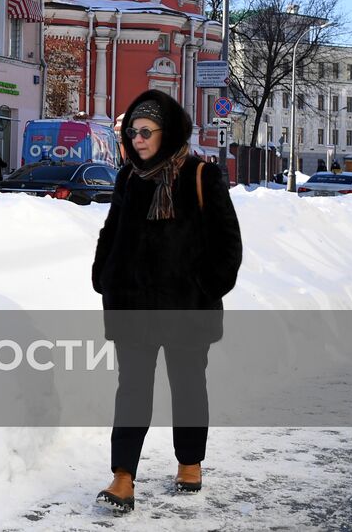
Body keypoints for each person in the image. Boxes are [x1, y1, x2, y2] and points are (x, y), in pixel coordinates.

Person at [91, 90, 243, 514]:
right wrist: (104, 276)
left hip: (186, 308)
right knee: (133, 390)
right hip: (134, 306)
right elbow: (112, 231)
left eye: (145, 131)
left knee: (188, 386)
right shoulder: (128, 178)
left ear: (167, 132)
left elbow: (228, 245)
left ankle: (189, 462)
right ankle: (123, 475)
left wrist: (205, 286)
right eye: (131, 132)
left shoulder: (199, 175)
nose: (136, 139)